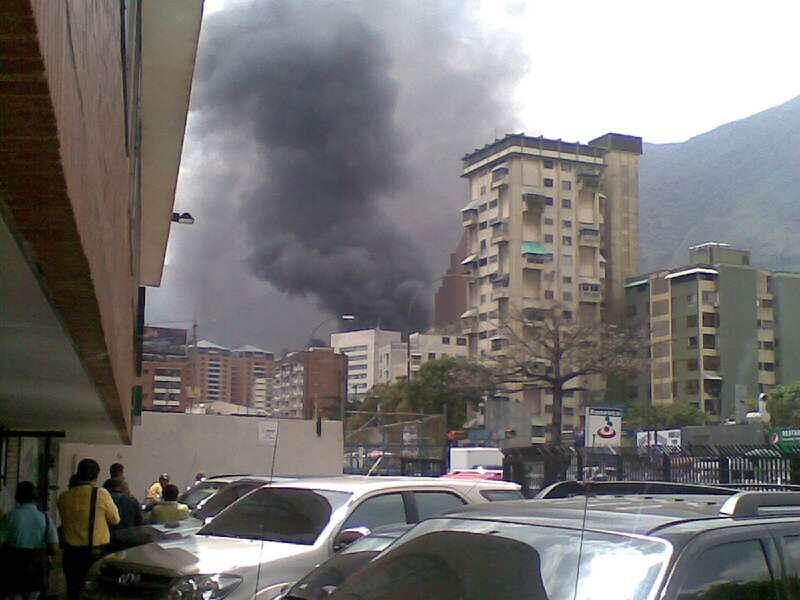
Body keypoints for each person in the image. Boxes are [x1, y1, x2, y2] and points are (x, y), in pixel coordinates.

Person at [57, 458, 120, 600]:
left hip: (70, 553)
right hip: (94, 553)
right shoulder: (101, 494)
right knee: (94, 593)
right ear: (96, 475)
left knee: (72, 591)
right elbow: (115, 519)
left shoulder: (63, 496)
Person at [0, 481, 59, 599]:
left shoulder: (9, 517)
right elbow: (54, 548)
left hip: (13, 570)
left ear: (17, 497)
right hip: (36, 573)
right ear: (35, 497)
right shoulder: (45, 518)